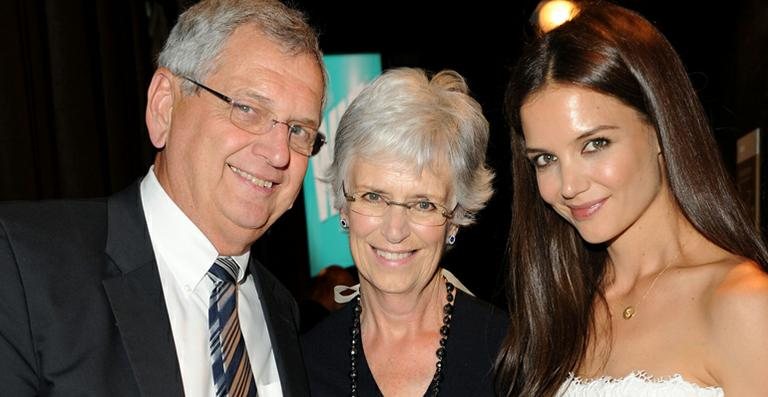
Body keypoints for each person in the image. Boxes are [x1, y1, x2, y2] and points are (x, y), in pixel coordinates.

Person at [0, 0, 326, 395]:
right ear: (164, 107)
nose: (278, 153)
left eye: (299, 131)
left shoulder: (282, 310)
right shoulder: (23, 265)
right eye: (248, 109)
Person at [495, 2, 768, 396]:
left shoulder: (742, 304)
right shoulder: (563, 306)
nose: (568, 185)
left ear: (659, 128)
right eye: (545, 159)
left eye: (595, 144)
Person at [302, 67, 508, 396]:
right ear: (343, 206)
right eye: (373, 196)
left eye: (423, 204)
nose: (395, 230)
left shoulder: (509, 354)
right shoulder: (304, 363)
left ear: (454, 219)